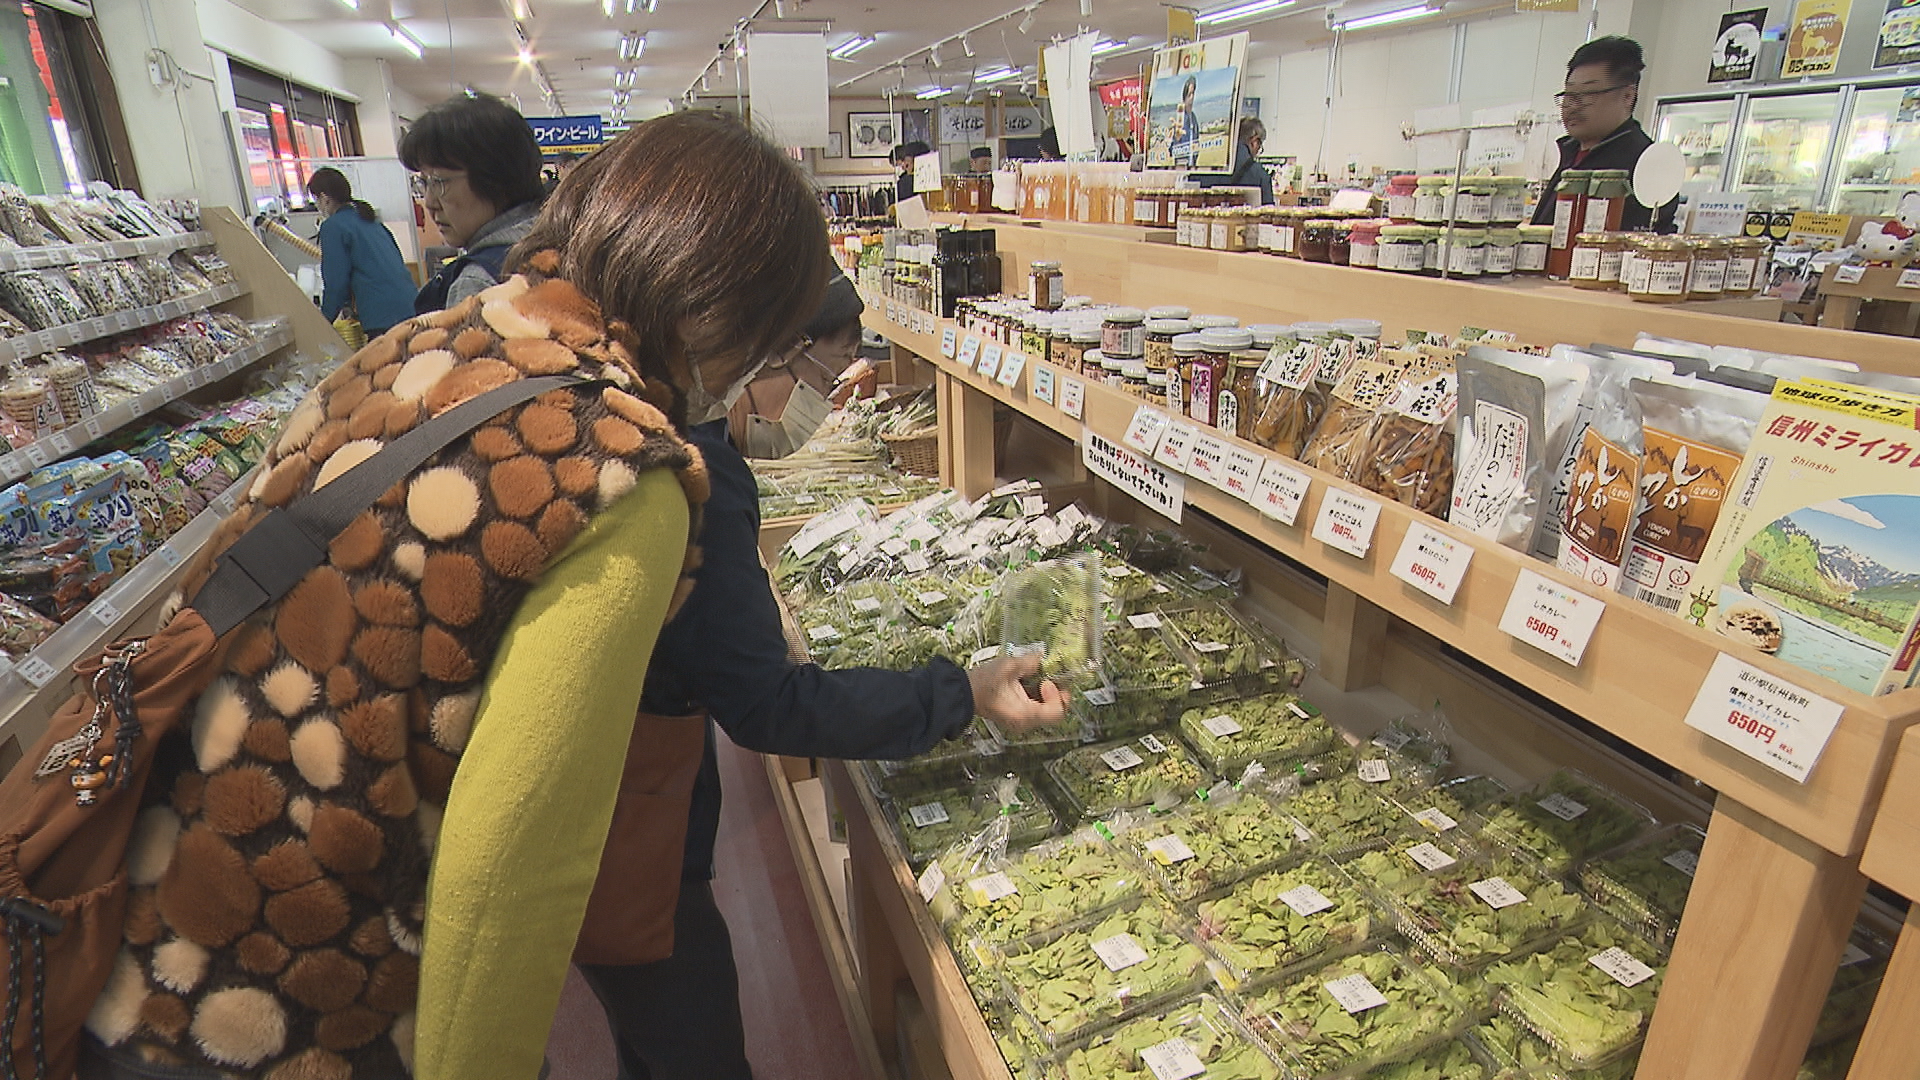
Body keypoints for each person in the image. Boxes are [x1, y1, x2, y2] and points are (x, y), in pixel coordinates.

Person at [83, 111, 832, 1080]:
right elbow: (513, 868)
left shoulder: (419, 348)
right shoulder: (620, 468)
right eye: (765, 348)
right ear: (723, 310)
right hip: (300, 1003)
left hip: (145, 926)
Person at [577, 260, 1069, 1080]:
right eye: (819, 373)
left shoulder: (625, 405)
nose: (825, 399)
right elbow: (769, 706)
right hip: (617, 808)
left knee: (649, 1024)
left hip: (594, 789)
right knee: (684, 1026)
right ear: (764, 353)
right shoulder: (694, 467)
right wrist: (966, 691)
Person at [400, 91, 548, 313]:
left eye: (439, 182)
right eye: (424, 183)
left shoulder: (478, 284)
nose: (430, 202)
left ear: (495, 178)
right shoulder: (563, 243)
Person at [1531, 35, 1677, 234]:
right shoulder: (1571, 152)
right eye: (1569, 94)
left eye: (1588, 94)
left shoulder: (1647, 164)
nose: (1573, 105)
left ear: (1627, 96)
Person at [304, 167, 418, 338]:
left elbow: (336, 282)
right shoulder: (370, 220)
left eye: (316, 200)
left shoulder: (333, 226)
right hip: (410, 305)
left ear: (324, 198)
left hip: (382, 316)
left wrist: (323, 321)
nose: (317, 206)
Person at [1222, 117, 1275, 205]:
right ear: (1254, 141)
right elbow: (1268, 212)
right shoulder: (1260, 174)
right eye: (1260, 146)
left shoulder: (1212, 165)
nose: (1258, 151)